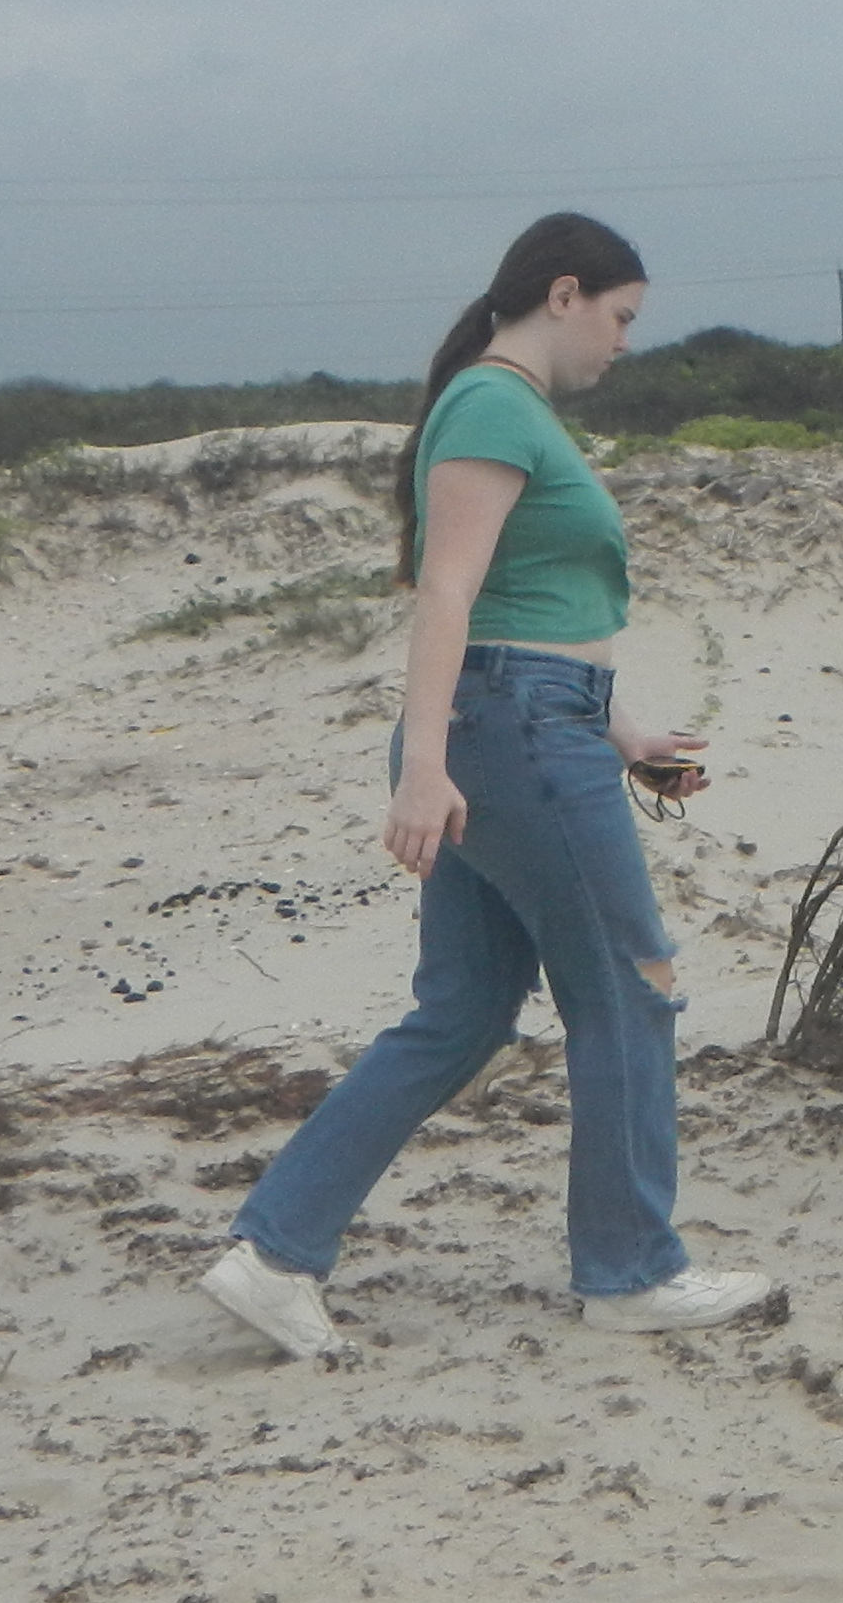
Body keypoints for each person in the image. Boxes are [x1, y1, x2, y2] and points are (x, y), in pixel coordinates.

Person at [199, 213, 777, 1358]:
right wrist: (423, 768)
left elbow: (534, 613)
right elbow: (448, 598)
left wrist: (624, 730)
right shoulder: (494, 403)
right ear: (564, 294)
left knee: (463, 1009)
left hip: (531, 725)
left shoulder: (507, 408)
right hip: (504, 735)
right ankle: (630, 1270)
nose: (624, 344)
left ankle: (273, 1256)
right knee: (630, 987)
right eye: (620, 319)